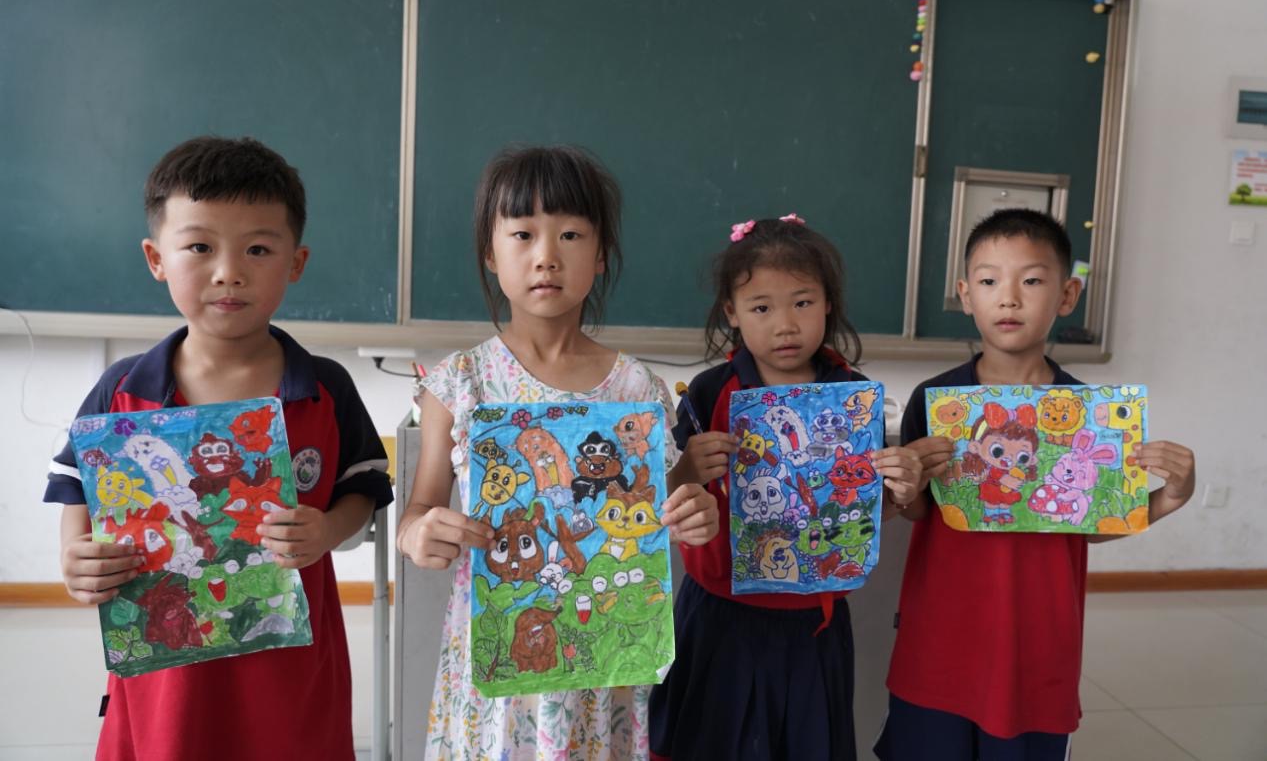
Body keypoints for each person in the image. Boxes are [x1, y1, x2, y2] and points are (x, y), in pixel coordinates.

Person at [45, 136, 394, 760]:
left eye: (258, 249)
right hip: (165, 675)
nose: (228, 271)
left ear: (296, 261)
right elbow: (76, 487)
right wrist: (76, 557)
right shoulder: (122, 390)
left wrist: (327, 529)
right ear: (157, 258)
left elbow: (363, 490)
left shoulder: (325, 389)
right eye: (200, 247)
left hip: (288, 668)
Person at [396, 144, 720, 760]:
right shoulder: (460, 383)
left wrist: (693, 512)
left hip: (601, 659)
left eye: (570, 234)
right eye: (523, 234)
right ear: (491, 253)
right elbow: (417, 512)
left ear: (600, 257)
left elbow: (658, 511)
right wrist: (418, 535)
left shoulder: (637, 390)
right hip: (499, 660)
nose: (546, 255)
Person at [877, 208, 1197, 759]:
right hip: (941, 635)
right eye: (988, 281)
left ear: (1067, 295)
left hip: (1037, 644)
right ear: (965, 295)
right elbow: (920, 512)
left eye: (1030, 281)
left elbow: (1092, 524)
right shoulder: (933, 401)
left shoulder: (1091, 415)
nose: (1008, 298)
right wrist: (904, 489)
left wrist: (1170, 497)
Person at [649, 215, 923, 760]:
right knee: (710, 741)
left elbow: (869, 509)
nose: (785, 325)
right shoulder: (709, 392)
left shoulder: (853, 397)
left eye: (802, 302)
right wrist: (688, 470)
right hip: (719, 617)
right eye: (761, 308)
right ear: (732, 312)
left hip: (812, 623)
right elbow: (666, 501)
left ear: (828, 303)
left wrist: (898, 492)